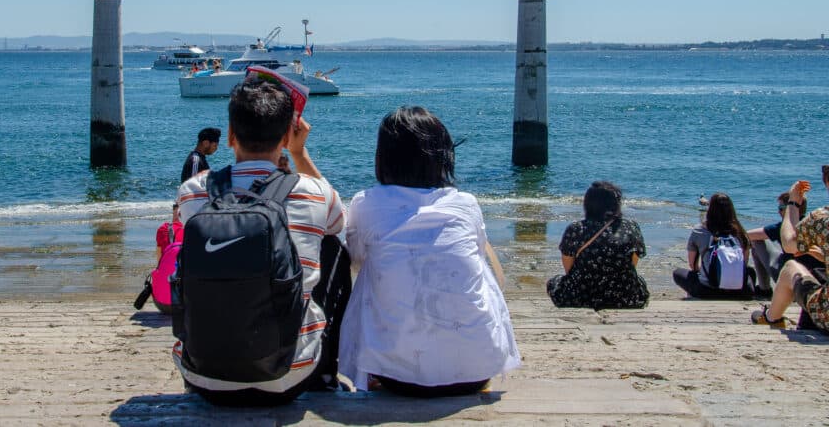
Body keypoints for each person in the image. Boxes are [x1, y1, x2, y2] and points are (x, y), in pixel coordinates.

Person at [171, 78, 348, 405]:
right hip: (289, 376)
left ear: (231, 136)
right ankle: (326, 377)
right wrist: (298, 153)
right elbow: (340, 224)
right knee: (333, 246)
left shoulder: (193, 192)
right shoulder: (315, 193)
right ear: (286, 136)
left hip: (202, 375)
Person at [338, 106, 521, 396]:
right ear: (443, 157)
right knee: (479, 260)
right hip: (476, 371)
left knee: (368, 267)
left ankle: (366, 360)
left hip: (396, 376)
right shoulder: (465, 203)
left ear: (383, 157)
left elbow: (356, 259)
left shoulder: (367, 202)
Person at [547, 181, 649, 309]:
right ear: (616, 204)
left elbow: (569, 269)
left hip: (580, 297)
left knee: (554, 282)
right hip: (625, 296)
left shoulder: (576, 229)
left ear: (588, 204)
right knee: (640, 281)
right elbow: (632, 264)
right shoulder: (631, 227)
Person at [751, 175, 829, 331]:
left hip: (826, 316)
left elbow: (789, 244)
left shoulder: (822, 218)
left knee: (791, 267)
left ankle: (771, 318)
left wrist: (793, 203)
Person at [672, 192, 755, 299]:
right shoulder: (740, 231)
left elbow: (693, 265)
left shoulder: (700, 230)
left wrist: (708, 270)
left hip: (708, 291)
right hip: (741, 291)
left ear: (710, 209)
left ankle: (692, 294)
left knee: (678, 273)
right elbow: (744, 262)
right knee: (750, 271)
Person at [746, 191, 820, 298]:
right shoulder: (812, 226)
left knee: (757, 242)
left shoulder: (782, 227)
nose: (778, 212)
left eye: (781, 208)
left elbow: (748, 235)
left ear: (790, 207)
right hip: (813, 278)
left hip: (788, 276)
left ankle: (764, 289)